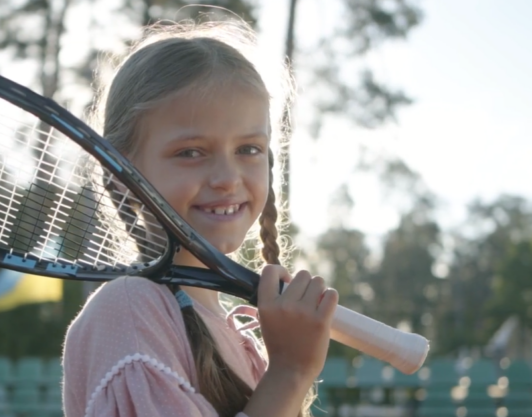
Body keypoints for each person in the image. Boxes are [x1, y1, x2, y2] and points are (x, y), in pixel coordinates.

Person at [62, 17, 339, 417]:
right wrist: (291, 372)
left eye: (248, 149)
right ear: (122, 175)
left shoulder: (232, 334)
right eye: (191, 152)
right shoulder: (130, 312)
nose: (227, 179)